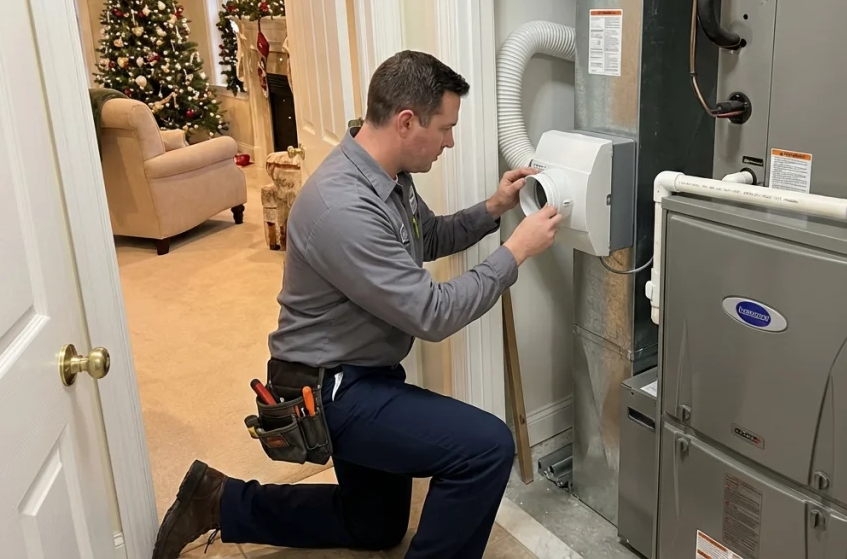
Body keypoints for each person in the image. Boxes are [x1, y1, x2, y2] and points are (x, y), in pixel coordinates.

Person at [152, 50, 562, 559]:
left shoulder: (388, 176)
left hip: (361, 373)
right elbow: (432, 314)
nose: (450, 142)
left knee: (376, 526)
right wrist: (515, 251)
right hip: (326, 392)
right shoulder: (343, 205)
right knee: (486, 447)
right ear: (407, 121)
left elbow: (426, 235)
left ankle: (220, 501)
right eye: (445, 128)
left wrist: (494, 209)